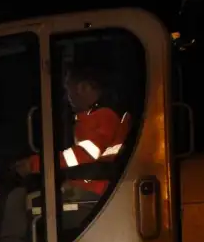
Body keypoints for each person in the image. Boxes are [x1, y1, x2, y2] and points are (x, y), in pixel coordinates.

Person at [13, 65, 131, 196]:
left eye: (68, 90)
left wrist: (35, 164)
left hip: (97, 192)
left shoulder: (105, 115)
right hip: (94, 188)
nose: (67, 97)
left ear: (84, 87)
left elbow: (85, 155)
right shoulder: (100, 113)